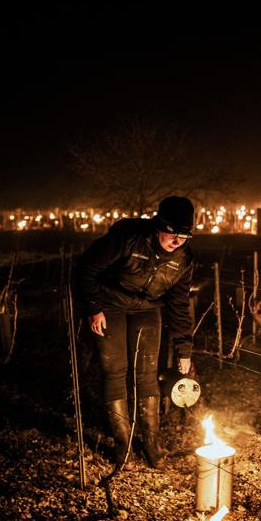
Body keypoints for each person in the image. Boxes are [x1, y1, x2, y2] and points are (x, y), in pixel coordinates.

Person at [75, 196, 196, 469]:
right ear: (158, 226)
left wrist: (183, 350)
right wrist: (94, 307)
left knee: (146, 372)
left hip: (147, 309)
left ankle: (151, 443)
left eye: (184, 235)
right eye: (171, 233)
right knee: (115, 368)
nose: (177, 241)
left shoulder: (184, 258)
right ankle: (123, 445)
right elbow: (87, 267)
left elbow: (178, 304)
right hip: (110, 304)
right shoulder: (128, 237)